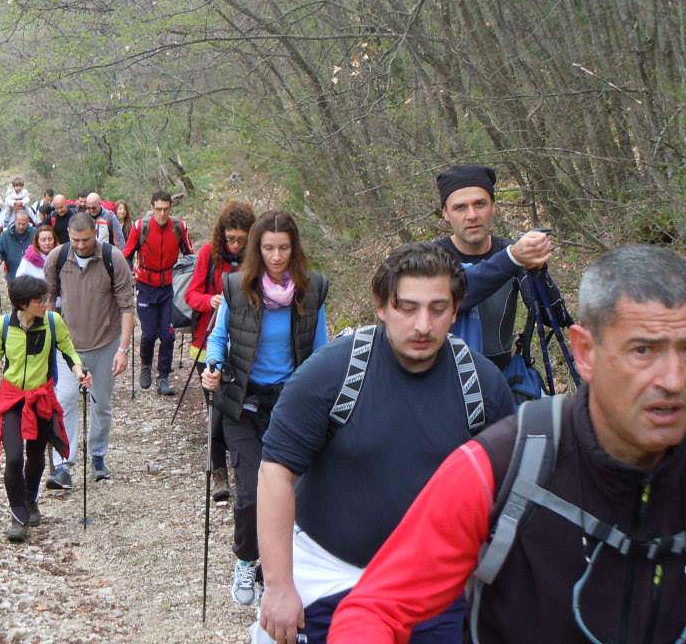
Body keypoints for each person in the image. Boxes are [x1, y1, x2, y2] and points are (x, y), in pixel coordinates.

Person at [328, 244, 686, 644]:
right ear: (585, 352)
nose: (672, 379)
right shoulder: (501, 465)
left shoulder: (487, 394)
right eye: (643, 350)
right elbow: (376, 608)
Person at [257, 243, 515, 644]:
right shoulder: (334, 372)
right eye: (407, 308)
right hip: (330, 573)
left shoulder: (481, 386)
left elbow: (509, 495)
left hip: (435, 587)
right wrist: (278, 586)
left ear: (457, 307)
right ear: (381, 306)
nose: (423, 325)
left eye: (437, 308)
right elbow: (275, 472)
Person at [201, 210, 329, 609]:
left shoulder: (312, 289)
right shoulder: (238, 288)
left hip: (290, 405)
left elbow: (322, 348)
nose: (276, 256)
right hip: (242, 402)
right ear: (258, 249)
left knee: (291, 491)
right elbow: (219, 337)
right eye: (269, 248)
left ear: (295, 249)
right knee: (253, 494)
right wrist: (213, 365)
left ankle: (275, 570)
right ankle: (245, 560)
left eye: (284, 248)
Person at [0, 275, 92, 542]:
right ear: (24, 304)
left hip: (41, 397)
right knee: (14, 457)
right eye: (40, 301)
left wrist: (78, 371)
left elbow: (68, 349)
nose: (45, 304)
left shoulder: (52, 322)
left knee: (37, 456)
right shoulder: (2, 326)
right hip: (12, 398)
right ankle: (18, 515)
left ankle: (30, 500)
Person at [432, 165, 560, 370]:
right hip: (443, 377)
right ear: (445, 213)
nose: (472, 215)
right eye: (460, 207)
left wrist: (539, 271)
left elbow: (553, 318)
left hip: (501, 377)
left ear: (493, 207)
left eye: (480, 204)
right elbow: (452, 296)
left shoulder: (512, 253)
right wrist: (512, 258)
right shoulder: (429, 258)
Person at [42, 213, 135, 488]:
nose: (80, 245)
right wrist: (49, 339)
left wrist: (123, 349)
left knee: (101, 403)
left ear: (95, 233)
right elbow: (48, 300)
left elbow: (127, 306)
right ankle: (64, 463)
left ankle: (97, 455)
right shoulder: (57, 258)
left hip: (106, 343)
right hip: (68, 345)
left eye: (85, 240)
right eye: (74, 240)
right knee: (66, 399)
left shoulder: (112, 258)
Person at [185, 201, 255, 502]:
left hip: (244, 348)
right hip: (207, 342)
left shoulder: (257, 260)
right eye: (231, 238)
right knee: (216, 408)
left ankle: (245, 467)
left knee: (238, 411)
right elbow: (191, 294)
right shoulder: (208, 255)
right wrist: (210, 301)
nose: (236, 244)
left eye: (241, 239)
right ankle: (219, 473)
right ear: (221, 235)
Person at [123, 191, 194, 395]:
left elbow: (189, 255)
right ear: (152, 208)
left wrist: (190, 280)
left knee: (168, 335)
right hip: (145, 286)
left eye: (166, 209)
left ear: (171, 208)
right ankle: (146, 365)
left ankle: (163, 377)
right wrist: (129, 275)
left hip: (169, 288)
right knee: (148, 335)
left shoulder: (179, 227)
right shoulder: (140, 227)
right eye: (158, 209)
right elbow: (127, 255)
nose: (162, 214)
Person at [0, 210, 34, 284]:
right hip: (12, 276)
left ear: (28, 221)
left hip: (31, 277)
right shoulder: (6, 235)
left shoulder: (35, 233)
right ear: (15, 221)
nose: (21, 226)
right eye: (19, 224)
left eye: (24, 224)